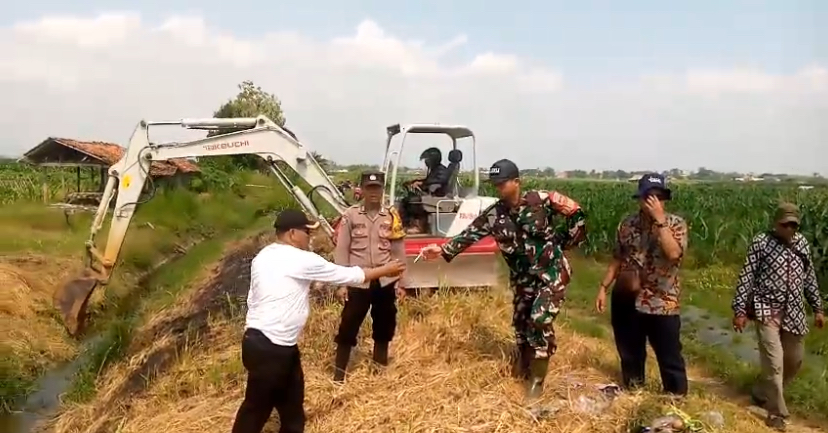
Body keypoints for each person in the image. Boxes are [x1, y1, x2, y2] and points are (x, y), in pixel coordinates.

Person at [419, 158, 586, 402]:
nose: (497, 188)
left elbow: (577, 215)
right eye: (494, 184)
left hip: (550, 275)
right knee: (520, 325)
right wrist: (443, 250)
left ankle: (536, 382)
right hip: (522, 280)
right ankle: (525, 364)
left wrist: (564, 243)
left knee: (539, 319)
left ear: (516, 182)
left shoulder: (543, 201)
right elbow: (469, 235)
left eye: (502, 183)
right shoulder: (494, 214)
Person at [231, 209, 405, 433]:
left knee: (293, 407)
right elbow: (349, 276)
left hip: (265, 343)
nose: (309, 237)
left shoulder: (263, 256)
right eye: (306, 232)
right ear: (293, 233)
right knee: (256, 409)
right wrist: (386, 269)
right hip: (272, 348)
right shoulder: (300, 259)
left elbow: (253, 298)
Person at [593, 173, 689, 396]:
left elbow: (674, 254)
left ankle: (675, 398)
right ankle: (635, 391)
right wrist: (603, 287)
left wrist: (660, 220)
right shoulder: (627, 225)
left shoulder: (675, 224)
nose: (654, 202)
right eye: (649, 197)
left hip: (661, 301)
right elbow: (618, 258)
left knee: (669, 355)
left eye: (659, 197)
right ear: (640, 198)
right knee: (630, 351)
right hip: (629, 298)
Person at [731, 202, 824, 431]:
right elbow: (746, 276)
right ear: (776, 223)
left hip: (794, 310)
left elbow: (809, 276)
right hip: (766, 309)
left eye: (794, 225)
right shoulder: (761, 243)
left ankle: (762, 392)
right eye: (785, 225)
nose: (790, 229)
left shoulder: (801, 243)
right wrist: (739, 310)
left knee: (794, 360)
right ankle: (777, 413)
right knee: (774, 363)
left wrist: (818, 308)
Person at [332, 171, 408, 383]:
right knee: (348, 324)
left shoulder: (392, 216)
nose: (373, 193)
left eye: (377, 188)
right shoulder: (351, 215)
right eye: (369, 188)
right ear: (362, 190)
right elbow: (342, 249)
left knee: (384, 324)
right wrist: (342, 283)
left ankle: (379, 369)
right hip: (358, 279)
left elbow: (398, 251)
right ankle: (339, 375)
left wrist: (402, 283)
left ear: (382, 190)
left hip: (386, 280)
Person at [399, 147, 450, 231]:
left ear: (433, 159)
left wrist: (423, 183)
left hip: (437, 197)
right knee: (408, 199)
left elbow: (441, 180)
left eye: (427, 159)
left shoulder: (441, 170)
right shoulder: (434, 170)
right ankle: (409, 224)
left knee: (409, 201)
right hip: (433, 195)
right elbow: (429, 180)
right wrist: (416, 181)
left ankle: (415, 226)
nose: (426, 162)